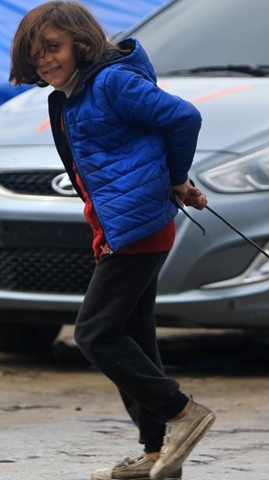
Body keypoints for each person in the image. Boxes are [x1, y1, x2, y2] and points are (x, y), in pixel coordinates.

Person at [9, 2, 214, 480]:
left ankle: (183, 413)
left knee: (95, 333)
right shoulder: (70, 97)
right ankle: (154, 455)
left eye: (53, 48)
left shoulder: (111, 83)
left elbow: (184, 118)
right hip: (120, 226)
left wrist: (177, 176)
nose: (45, 61)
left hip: (139, 225)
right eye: (35, 54)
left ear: (81, 43)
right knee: (135, 337)